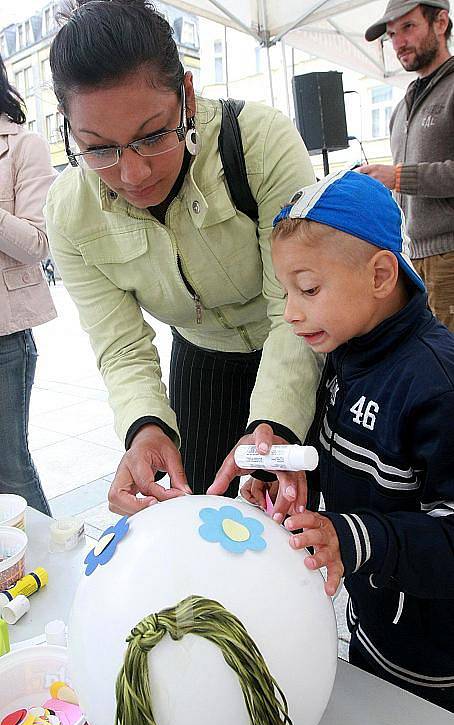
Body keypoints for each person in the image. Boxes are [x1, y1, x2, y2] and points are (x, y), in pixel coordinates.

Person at [45, 0, 320, 516]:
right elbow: (121, 345)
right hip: (204, 362)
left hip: (312, 340)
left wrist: (276, 423)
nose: (133, 175)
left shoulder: (258, 143)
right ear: (69, 130)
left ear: (187, 96)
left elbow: (295, 306)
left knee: (320, 527)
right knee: (207, 522)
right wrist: (144, 424)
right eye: (98, 149)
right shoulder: (69, 212)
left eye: (152, 135)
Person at [243, 169, 454, 712]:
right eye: (286, 291)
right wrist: (290, 476)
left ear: (381, 274)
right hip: (371, 622)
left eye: (308, 288)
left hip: (436, 660)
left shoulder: (436, 384)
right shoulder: (348, 347)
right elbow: (348, 451)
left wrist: (352, 538)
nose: (290, 311)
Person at [359, 0, 454, 331]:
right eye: (392, 34)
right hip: (415, 259)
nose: (398, 42)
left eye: (409, 27)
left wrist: (398, 176)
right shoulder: (400, 109)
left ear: (441, 22)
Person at [0, 53, 57, 516]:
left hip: (5, 336)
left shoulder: (23, 144)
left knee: (10, 464)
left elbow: (38, 244)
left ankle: (49, 568)